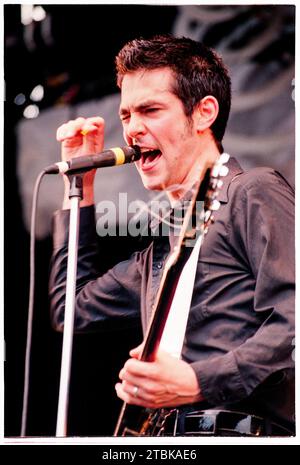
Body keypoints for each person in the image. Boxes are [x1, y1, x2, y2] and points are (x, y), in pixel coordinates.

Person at [49, 34, 295, 436]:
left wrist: (199, 380)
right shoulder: (163, 251)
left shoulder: (252, 191)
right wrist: (80, 190)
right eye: (127, 115)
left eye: (150, 110)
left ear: (203, 114)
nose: (132, 130)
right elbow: (71, 309)